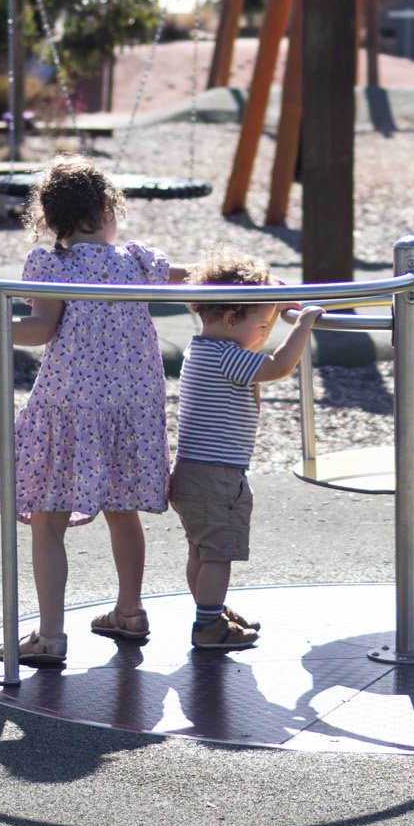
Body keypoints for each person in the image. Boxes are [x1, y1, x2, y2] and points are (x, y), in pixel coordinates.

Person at [0, 157, 185, 668]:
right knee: (122, 512)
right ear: (108, 208)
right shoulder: (136, 260)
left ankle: (51, 635)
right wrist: (244, 282)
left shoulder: (52, 265)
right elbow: (190, 281)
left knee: (46, 519)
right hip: (131, 404)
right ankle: (129, 610)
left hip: (69, 405)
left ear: (51, 220)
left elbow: (40, 330)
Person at [171, 251, 321, 650]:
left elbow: (254, 345)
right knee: (218, 554)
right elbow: (276, 367)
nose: (264, 333)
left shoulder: (203, 348)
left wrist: (271, 301)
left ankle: (210, 612)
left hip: (192, 473)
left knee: (202, 553)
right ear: (231, 318)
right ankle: (208, 627)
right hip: (216, 476)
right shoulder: (227, 356)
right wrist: (303, 323)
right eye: (262, 325)